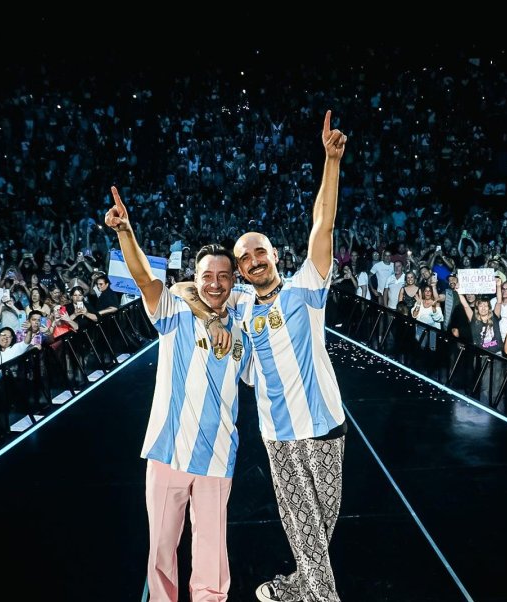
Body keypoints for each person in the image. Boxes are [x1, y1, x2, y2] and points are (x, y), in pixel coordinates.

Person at [177, 111, 348, 602]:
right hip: (279, 435)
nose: (253, 260)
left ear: (275, 255)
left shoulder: (305, 289)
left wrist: (331, 162)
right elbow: (186, 288)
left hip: (326, 423)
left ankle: (291, 589)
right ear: (240, 270)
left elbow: (323, 223)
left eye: (259, 252)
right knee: (305, 532)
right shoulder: (239, 303)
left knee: (319, 532)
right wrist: (212, 319)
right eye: (244, 257)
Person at [105, 186, 251, 602]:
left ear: (233, 280)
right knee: (161, 549)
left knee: (212, 554)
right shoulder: (175, 312)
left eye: (223, 276)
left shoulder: (245, 328)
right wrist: (126, 233)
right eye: (207, 276)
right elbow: (145, 279)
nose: (215, 284)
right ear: (195, 278)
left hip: (217, 454)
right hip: (168, 450)